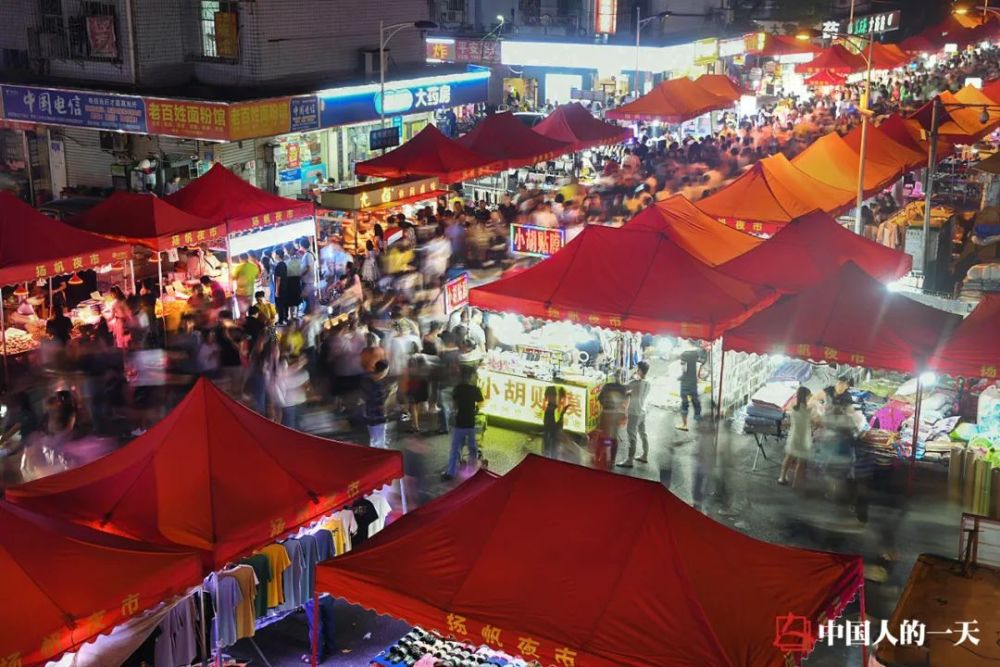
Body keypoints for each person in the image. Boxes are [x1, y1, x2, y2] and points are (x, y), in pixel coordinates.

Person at [444, 367, 483, 480]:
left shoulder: (458, 388)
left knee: (455, 448)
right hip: (470, 422)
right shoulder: (475, 389)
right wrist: (476, 409)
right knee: (472, 448)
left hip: (459, 422)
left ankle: (451, 472)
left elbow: (454, 404)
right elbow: (480, 402)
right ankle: (472, 471)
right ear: (471, 377)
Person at [779, 386, 816, 486]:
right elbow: (814, 421)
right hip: (804, 438)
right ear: (806, 397)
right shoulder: (809, 409)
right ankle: (796, 482)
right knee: (801, 461)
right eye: (809, 396)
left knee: (789, 457)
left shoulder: (793, 406)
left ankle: (782, 477)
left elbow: (789, 421)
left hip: (794, 435)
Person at [619, 361, 650, 467]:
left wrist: (631, 377)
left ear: (640, 370)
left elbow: (623, 388)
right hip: (642, 411)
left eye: (637, 369)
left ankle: (629, 460)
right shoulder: (648, 382)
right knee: (643, 434)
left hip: (634, 413)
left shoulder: (634, 383)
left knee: (632, 436)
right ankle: (645, 455)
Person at [361, 360, 390, 448]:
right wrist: (389, 393)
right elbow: (382, 404)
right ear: (384, 370)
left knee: (373, 438)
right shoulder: (379, 386)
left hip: (368, 414)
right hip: (378, 416)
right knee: (380, 440)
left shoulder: (366, 378)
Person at [678, 347, 704, 431]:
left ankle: (684, 424)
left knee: (684, 403)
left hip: (685, 383)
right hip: (693, 381)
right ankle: (697, 417)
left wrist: (681, 377)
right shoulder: (696, 353)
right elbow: (699, 366)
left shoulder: (684, 354)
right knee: (695, 400)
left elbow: (684, 369)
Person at [542, 386, 566, 458]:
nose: (555, 398)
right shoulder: (551, 410)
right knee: (552, 454)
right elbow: (550, 426)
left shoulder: (554, 409)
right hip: (552, 437)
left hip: (552, 436)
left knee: (552, 453)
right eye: (553, 396)